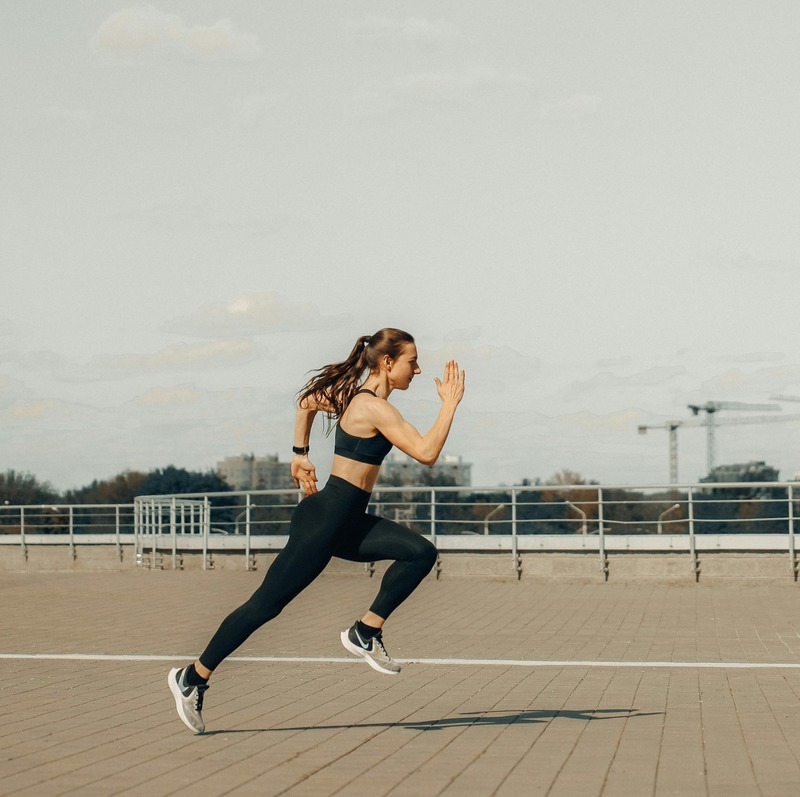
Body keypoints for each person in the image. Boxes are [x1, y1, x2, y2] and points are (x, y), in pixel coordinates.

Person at [168, 328, 465, 734]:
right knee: (265, 607)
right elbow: (428, 453)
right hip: (324, 521)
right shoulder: (372, 407)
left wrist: (299, 454)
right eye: (412, 361)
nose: (418, 368)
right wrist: (449, 405)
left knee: (419, 552)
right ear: (387, 362)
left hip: (346, 521)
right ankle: (193, 678)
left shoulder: (358, 399)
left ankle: (365, 631)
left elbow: (307, 402)